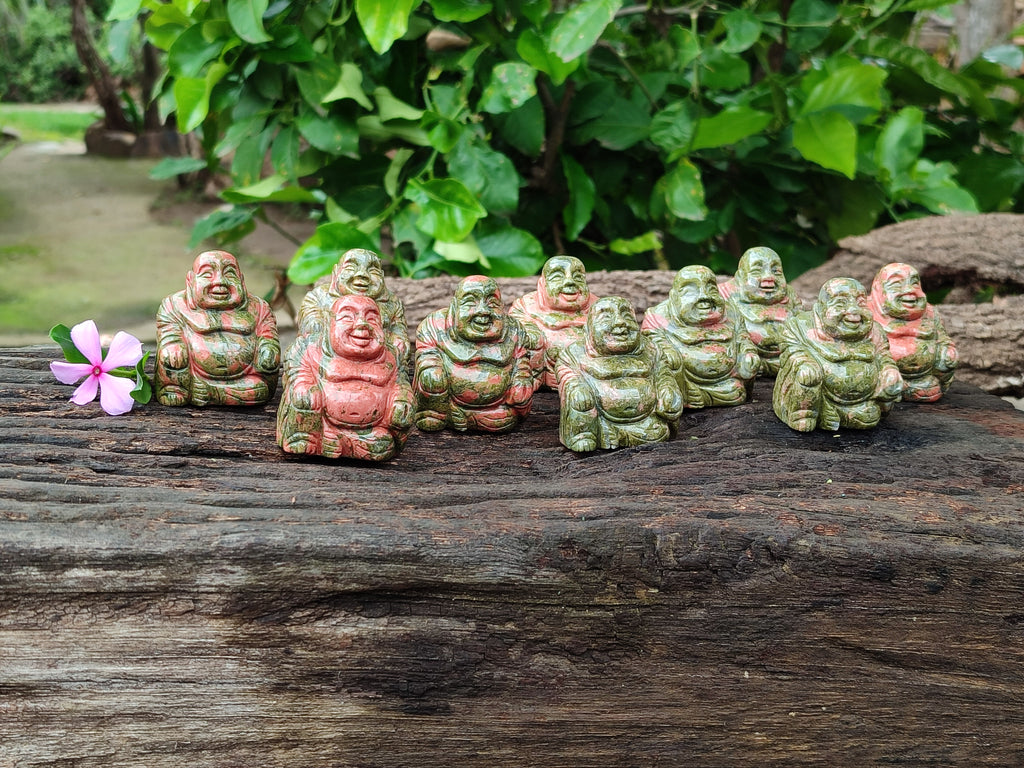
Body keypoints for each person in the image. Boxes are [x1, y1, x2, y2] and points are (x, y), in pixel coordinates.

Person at [277, 295, 413, 461]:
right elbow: (296, 366)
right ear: (330, 323)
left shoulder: (391, 355)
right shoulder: (312, 347)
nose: (362, 324)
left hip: (372, 430)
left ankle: (340, 441)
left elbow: (401, 383)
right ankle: (313, 438)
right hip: (319, 422)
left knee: (381, 444)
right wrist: (304, 385)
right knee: (304, 398)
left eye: (371, 318)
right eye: (348, 317)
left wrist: (402, 399)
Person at [774, 277, 903, 431]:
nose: (854, 311)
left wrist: (890, 371)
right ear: (821, 309)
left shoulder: (875, 332)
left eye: (861, 303)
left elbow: (883, 355)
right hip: (818, 396)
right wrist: (805, 364)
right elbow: (791, 350)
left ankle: (847, 414)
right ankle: (804, 413)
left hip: (863, 400)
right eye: (841, 303)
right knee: (807, 375)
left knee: (870, 417)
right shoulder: (799, 327)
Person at [557, 296, 683, 452]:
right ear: (588, 330)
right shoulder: (575, 353)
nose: (619, 322)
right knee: (579, 398)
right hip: (601, 423)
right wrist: (576, 387)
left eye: (627, 315)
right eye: (606, 317)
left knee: (660, 430)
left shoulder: (651, 348)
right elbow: (566, 371)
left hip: (647, 422)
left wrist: (667, 390)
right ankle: (582, 435)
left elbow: (662, 372)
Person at [155, 250, 279, 406]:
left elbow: (268, 332)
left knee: (260, 390)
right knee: (169, 357)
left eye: (230, 274)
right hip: (193, 374)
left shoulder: (259, 308)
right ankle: (175, 389)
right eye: (207, 274)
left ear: (241, 280)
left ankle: (213, 393)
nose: (220, 281)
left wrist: (268, 347)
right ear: (190, 281)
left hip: (246, 377)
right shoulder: (174, 305)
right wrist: (172, 344)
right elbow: (168, 329)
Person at [414, 276, 534, 433]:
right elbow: (427, 358)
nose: (483, 310)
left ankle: (471, 418)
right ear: (455, 306)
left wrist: (521, 381)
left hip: (500, 407)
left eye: (492, 303)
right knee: (431, 376)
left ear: (502, 306)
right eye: (471, 302)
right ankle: (439, 414)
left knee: (512, 408)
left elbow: (522, 361)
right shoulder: (434, 326)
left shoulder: (514, 329)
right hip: (448, 403)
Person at [642, 265, 759, 409]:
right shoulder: (656, 317)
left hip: (727, 383)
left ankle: (703, 396)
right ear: (674, 297)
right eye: (691, 291)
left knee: (736, 392)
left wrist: (748, 354)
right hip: (685, 384)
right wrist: (668, 352)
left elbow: (742, 338)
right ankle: (686, 397)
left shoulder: (732, 312)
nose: (704, 296)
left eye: (711, 289)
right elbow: (651, 344)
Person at [867, 262, 958, 402]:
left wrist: (947, 352)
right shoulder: (867, 313)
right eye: (897, 284)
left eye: (914, 283)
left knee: (946, 361)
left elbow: (942, 338)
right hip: (885, 376)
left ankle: (920, 386)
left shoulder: (930, 313)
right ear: (879, 290)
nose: (910, 290)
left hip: (925, 377)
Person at [509, 255, 599, 390]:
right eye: (558, 277)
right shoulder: (525, 307)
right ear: (543, 284)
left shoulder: (600, 309)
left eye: (578, 277)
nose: (570, 281)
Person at [719, 246, 803, 376]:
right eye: (757, 271)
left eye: (776, 271)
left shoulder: (789, 295)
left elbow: (803, 329)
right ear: (741, 276)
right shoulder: (724, 295)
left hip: (788, 358)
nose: (769, 277)